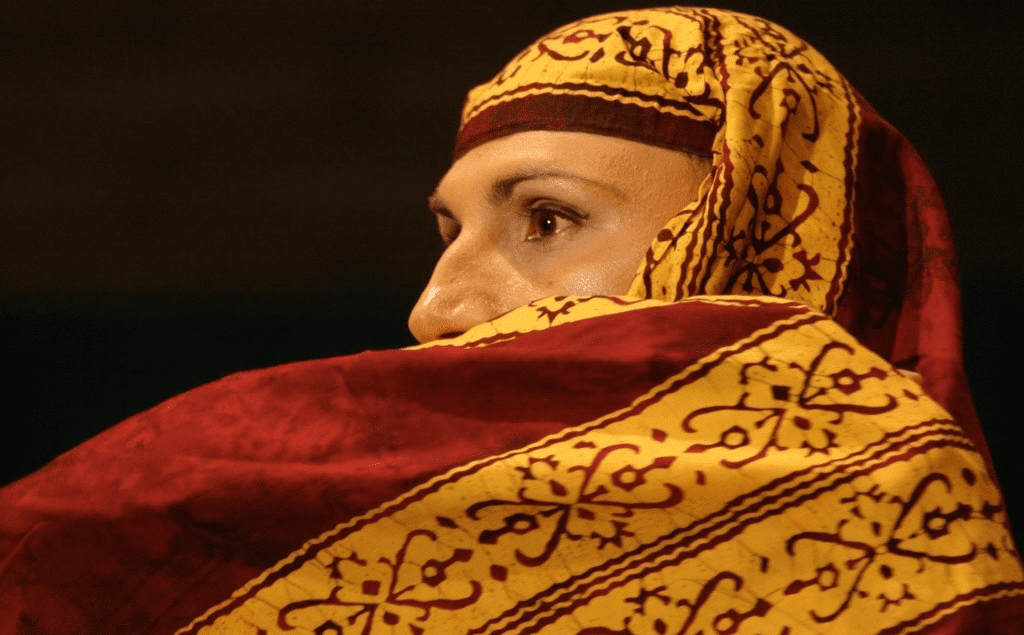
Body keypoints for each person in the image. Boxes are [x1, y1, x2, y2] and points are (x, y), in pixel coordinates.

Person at [1, 7, 1021, 634]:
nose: (433, 307)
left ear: (765, 242)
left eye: (546, 218)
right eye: (446, 229)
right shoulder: (360, 558)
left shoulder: (900, 519)